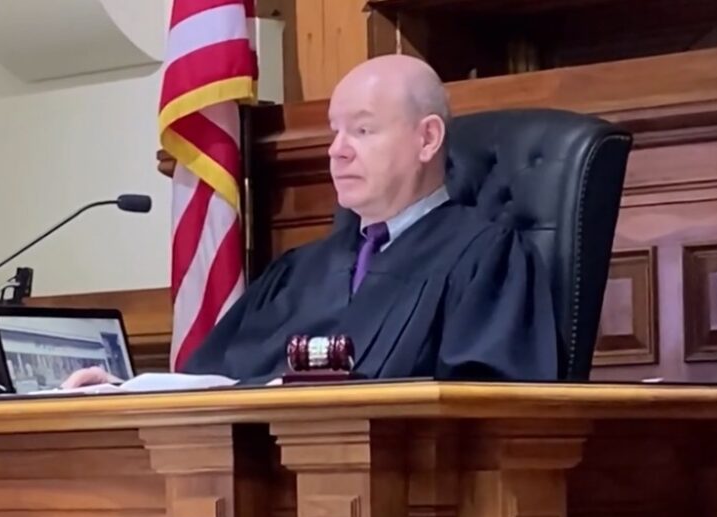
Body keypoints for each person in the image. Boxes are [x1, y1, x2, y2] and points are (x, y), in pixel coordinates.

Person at [64, 54, 558, 388]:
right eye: (334, 131)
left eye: (362, 130)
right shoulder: (298, 271)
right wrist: (128, 391)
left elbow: (490, 418)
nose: (337, 150)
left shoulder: (486, 259)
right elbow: (211, 385)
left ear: (427, 139)